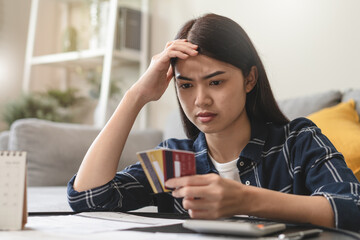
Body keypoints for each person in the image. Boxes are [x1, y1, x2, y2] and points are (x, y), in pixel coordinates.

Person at [67, 13, 360, 232]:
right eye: (186, 86)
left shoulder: (298, 141)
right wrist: (135, 96)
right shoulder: (174, 159)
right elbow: (90, 197)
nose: (200, 100)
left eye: (215, 82)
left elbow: (353, 207)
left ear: (249, 79)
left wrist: (246, 199)